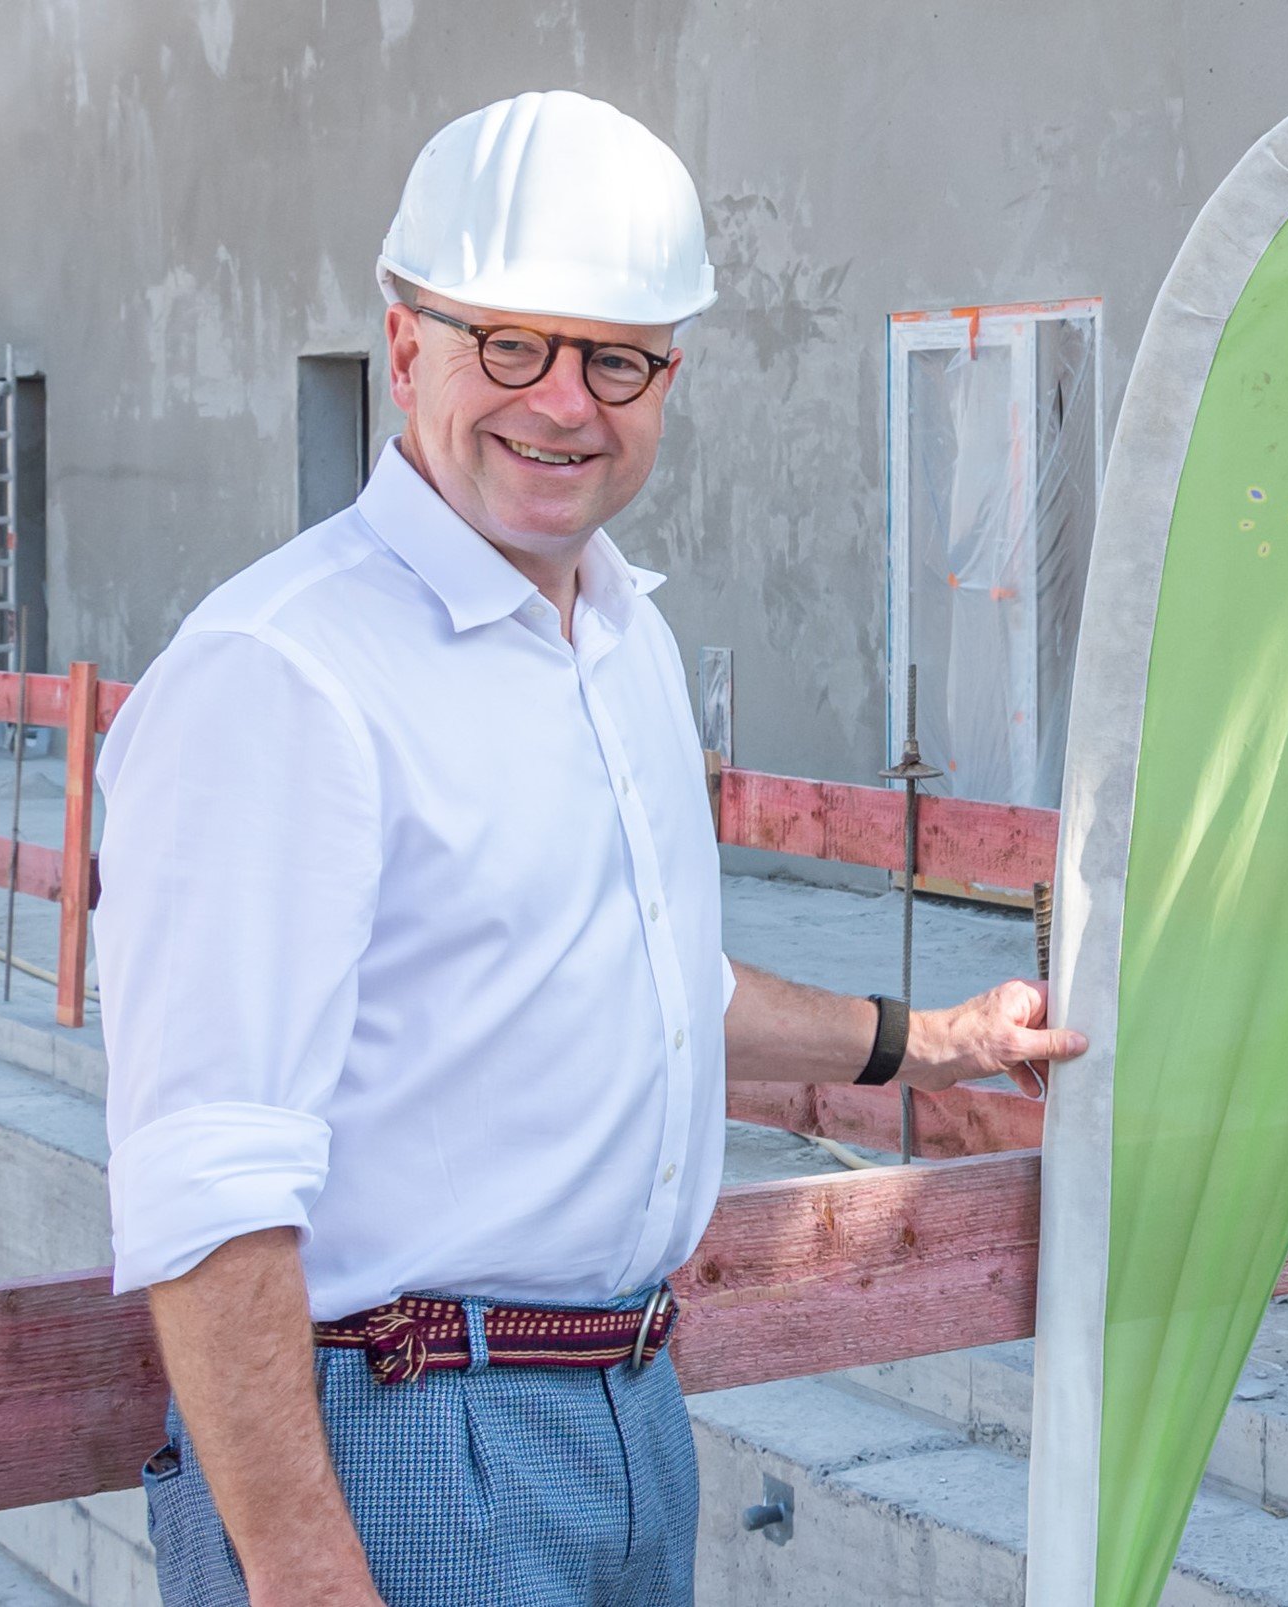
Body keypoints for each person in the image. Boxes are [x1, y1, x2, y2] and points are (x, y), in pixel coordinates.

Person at [99, 91, 1083, 1607]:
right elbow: (208, 1183)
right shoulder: (283, 676)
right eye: (512, 344)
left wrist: (930, 1041)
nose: (564, 401)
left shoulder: (614, 634)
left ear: (667, 379)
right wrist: (305, 1576)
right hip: (407, 1435)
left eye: (614, 357)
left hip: (626, 1409)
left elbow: (645, 989)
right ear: (406, 341)